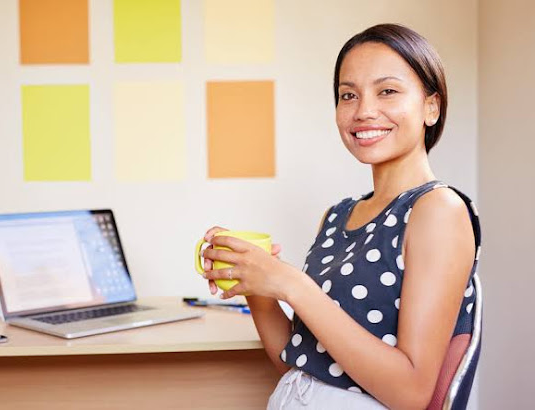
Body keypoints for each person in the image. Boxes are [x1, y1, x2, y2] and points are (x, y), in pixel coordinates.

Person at [200, 23, 481, 409]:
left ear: (431, 106)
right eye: (348, 95)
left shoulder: (438, 210)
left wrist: (292, 285)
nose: (364, 111)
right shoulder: (337, 216)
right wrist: (256, 284)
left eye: (387, 91)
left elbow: (411, 393)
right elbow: (301, 365)